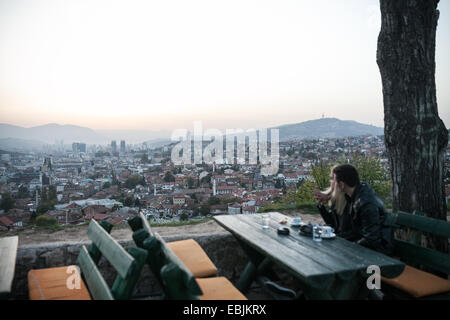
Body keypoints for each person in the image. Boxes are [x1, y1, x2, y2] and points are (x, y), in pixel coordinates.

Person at [314, 164, 393, 256]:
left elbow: (371, 239)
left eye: (333, 180)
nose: (331, 184)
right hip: (367, 246)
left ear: (342, 185)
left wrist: (347, 248)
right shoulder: (355, 194)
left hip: (379, 252)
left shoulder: (366, 203)